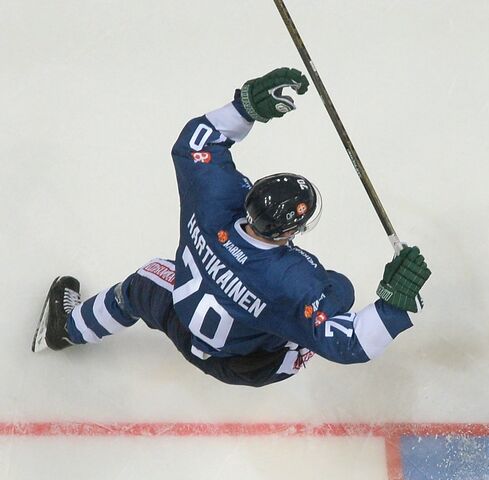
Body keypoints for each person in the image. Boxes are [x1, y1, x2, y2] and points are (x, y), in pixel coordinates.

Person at [34, 67, 431, 386]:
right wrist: (393, 305)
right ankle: (294, 332)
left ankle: (66, 329)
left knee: (138, 287)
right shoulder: (292, 278)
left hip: (183, 320)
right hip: (255, 367)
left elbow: (196, 143)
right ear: (287, 233)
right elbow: (353, 344)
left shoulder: (214, 198)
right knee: (336, 289)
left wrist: (246, 107)